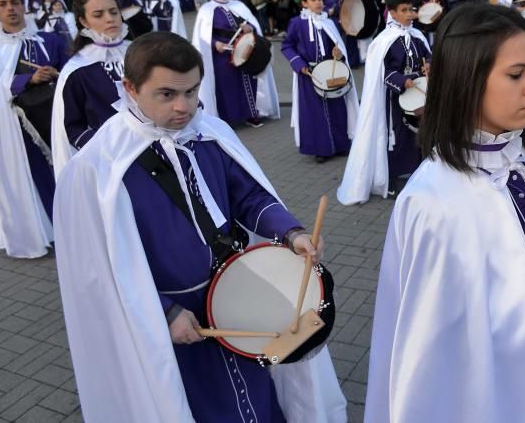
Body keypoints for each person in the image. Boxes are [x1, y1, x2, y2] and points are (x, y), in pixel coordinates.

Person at [54, 32, 347, 423]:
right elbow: (98, 271)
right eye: (167, 94)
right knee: (198, 405)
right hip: (175, 318)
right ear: (130, 88)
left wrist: (291, 233)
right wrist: (165, 312)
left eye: (192, 91)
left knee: (260, 393)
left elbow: (249, 197)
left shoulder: (209, 134)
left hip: (238, 295)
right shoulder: (97, 168)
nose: (184, 106)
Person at [365, 3, 525, 423]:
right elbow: (443, 345)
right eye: (516, 74)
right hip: (497, 398)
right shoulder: (432, 202)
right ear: (467, 80)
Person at [0, 0, 68, 258]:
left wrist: (56, 73)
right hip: (19, 127)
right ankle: (47, 229)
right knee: (36, 175)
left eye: (14, 3)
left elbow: (72, 70)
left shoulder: (49, 40)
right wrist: (27, 80)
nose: (10, 9)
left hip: (54, 118)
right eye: (2, 4)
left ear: (23, 6)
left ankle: (71, 225)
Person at [338, 0, 431, 204]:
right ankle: (394, 177)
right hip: (394, 100)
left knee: (419, 136)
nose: (410, 14)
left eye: (412, 10)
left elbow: (429, 56)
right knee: (397, 138)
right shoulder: (384, 41)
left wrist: (429, 65)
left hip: (419, 95)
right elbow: (381, 72)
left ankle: (418, 174)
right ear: (393, 13)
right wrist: (400, 80)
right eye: (404, 10)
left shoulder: (417, 36)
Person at [50, 0, 131, 176]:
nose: (109, 19)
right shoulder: (77, 69)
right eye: (98, 14)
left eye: (113, 12)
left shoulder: (142, 53)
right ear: (84, 22)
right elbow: (71, 126)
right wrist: (105, 151)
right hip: (110, 161)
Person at [281, 0, 358, 163]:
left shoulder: (328, 22)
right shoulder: (297, 23)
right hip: (309, 75)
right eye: (313, 0)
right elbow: (287, 46)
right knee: (314, 113)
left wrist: (338, 53)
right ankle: (321, 148)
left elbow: (336, 44)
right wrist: (299, 64)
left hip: (330, 72)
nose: (318, 2)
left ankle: (340, 145)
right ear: (304, 3)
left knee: (337, 109)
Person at [192, 0, 279, 127]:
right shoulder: (206, 10)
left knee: (248, 82)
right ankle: (228, 119)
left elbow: (252, 24)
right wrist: (215, 43)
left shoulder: (238, 5)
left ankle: (251, 114)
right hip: (221, 55)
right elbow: (202, 36)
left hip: (244, 51)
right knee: (227, 87)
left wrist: (250, 27)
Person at [313, 0, 361, 65]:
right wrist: (326, 10)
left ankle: (353, 62)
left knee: (351, 38)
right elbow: (316, 0)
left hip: (347, 14)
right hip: (331, 16)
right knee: (334, 39)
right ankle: (335, 62)